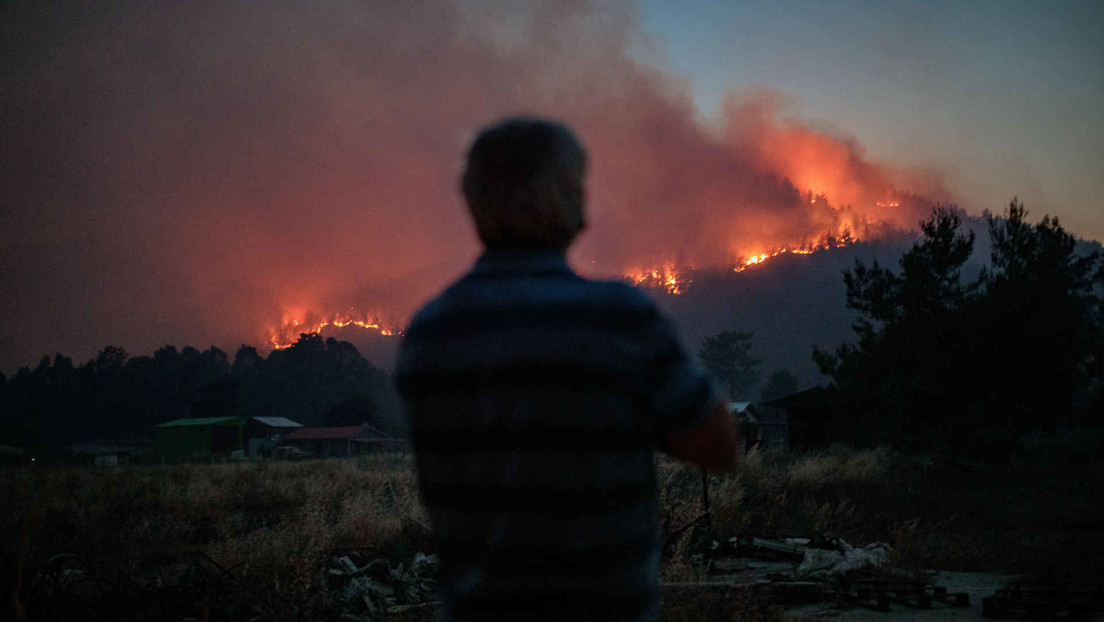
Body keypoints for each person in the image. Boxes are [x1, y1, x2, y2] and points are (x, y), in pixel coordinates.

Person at [395, 117, 738, 622]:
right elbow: (719, 446)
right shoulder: (618, 319)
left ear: (474, 202)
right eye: (578, 183)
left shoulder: (428, 333)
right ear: (565, 200)